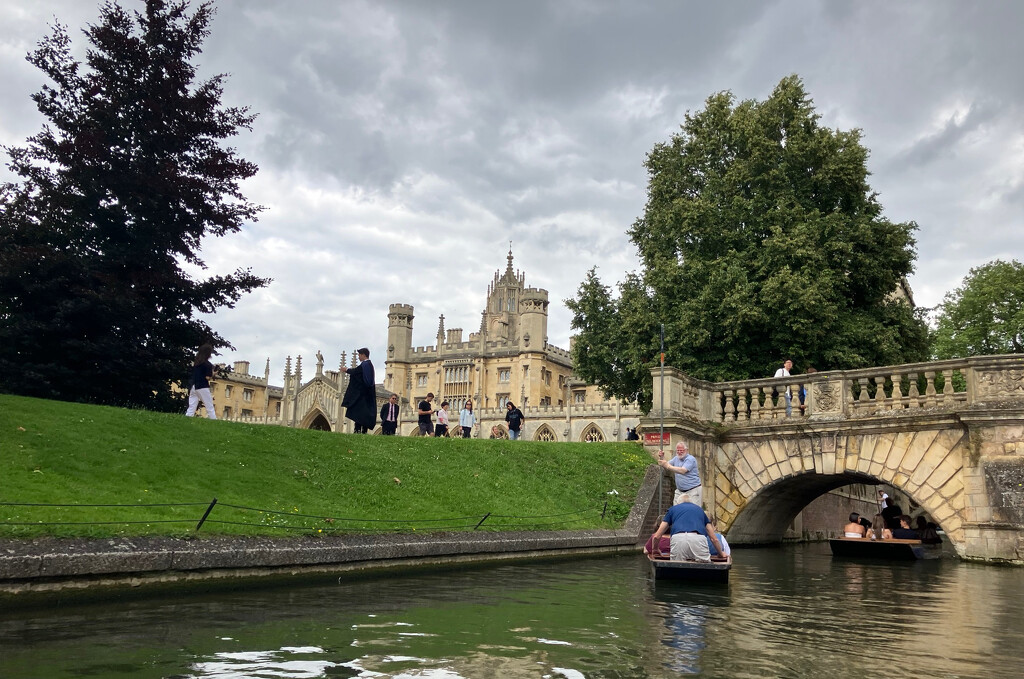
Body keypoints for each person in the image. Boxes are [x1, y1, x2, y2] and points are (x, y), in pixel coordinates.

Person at [649, 496, 724, 563]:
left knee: (677, 567)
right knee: (705, 565)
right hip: (698, 539)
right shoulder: (700, 511)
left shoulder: (672, 510)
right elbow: (714, 538)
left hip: (678, 539)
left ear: (678, 503)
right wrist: (721, 554)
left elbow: (657, 536)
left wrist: (655, 549)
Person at [341, 348, 376, 433]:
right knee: (363, 413)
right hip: (368, 394)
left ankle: (357, 430)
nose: (359, 357)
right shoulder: (369, 365)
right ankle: (363, 431)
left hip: (363, 394)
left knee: (359, 412)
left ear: (363, 355)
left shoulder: (365, 365)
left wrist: (346, 370)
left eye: (359, 355)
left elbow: (356, 372)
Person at [658, 441, 703, 507]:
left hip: (693, 490)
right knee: (676, 510)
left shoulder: (690, 459)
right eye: (678, 450)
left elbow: (683, 470)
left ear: (687, 450)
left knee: (694, 511)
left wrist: (667, 465)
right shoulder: (676, 458)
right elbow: (667, 465)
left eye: (681, 450)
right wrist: (662, 457)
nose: (679, 452)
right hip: (680, 491)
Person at [185, 343, 218, 419]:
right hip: (203, 386)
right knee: (209, 406)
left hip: (194, 386)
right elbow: (207, 377)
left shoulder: (197, 363)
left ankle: (188, 417)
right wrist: (213, 374)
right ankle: (214, 420)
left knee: (192, 406)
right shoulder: (208, 365)